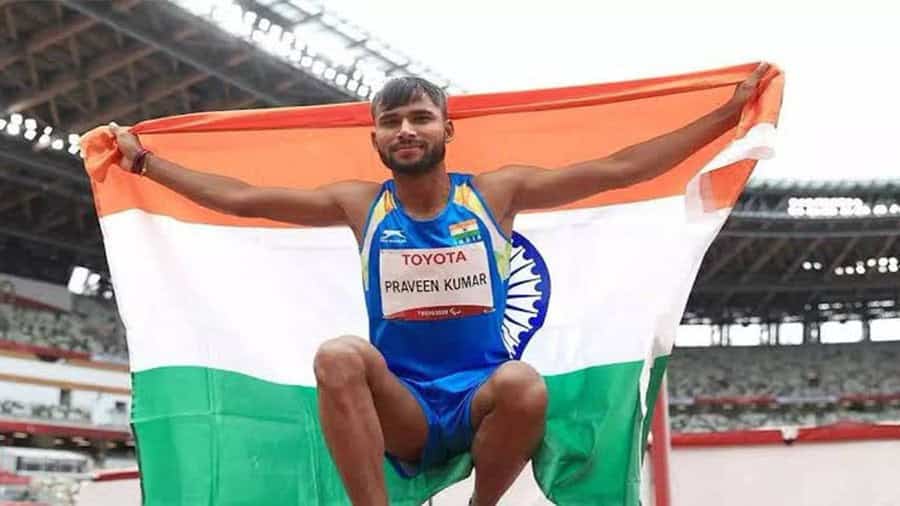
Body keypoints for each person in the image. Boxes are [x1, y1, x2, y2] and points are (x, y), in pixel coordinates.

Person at [108, 63, 769, 506]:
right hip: (406, 409)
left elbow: (619, 168)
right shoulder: (362, 205)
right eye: (391, 122)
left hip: (480, 401)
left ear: (447, 129)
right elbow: (244, 200)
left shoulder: (493, 195)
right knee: (338, 356)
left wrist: (724, 118)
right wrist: (148, 163)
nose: (406, 131)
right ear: (374, 137)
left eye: (420, 118)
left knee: (525, 383)